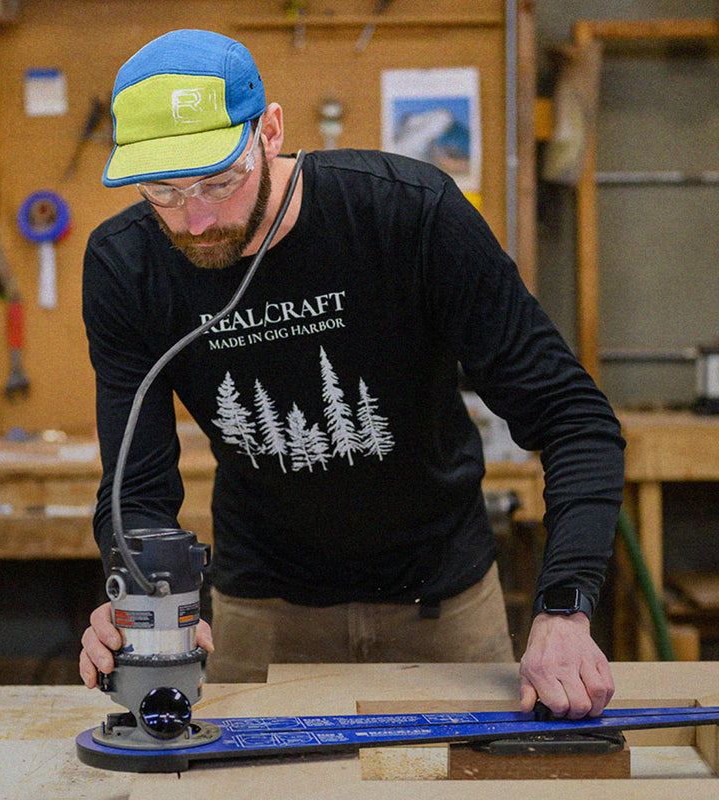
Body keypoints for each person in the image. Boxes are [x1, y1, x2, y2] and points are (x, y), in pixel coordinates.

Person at [79, 29, 625, 720]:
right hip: (262, 611)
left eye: (221, 179)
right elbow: (135, 479)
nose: (199, 218)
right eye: (164, 191)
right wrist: (142, 601)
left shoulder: (409, 215)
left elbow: (574, 417)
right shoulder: (126, 266)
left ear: (270, 131)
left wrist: (565, 609)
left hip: (443, 604)